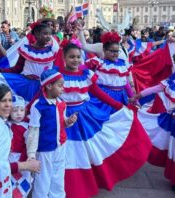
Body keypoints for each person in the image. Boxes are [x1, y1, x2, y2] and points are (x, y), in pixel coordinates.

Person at [57, 43, 151, 198]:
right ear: (64, 57)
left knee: (88, 149)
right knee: (68, 151)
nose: (75, 60)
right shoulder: (56, 74)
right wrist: (28, 109)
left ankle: (86, 182)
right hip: (62, 116)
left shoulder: (86, 74)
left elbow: (98, 93)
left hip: (85, 115)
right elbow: (44, 94)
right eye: (71, 57)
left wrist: (120, 107)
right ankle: (67, 184)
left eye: (78, 57)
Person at [27, 69, 78, 198]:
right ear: (49, 86)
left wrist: (69, 121)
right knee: (42, 180)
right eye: (60, 85)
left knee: (58, 179)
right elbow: (33, 131)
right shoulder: (38, 106)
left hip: (60, 147)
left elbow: (62, 123)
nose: (63, 89)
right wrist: (31, 154)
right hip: (45, 150)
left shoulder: (61, 104)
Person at [0, 23, 59, 102]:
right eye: (45, 34)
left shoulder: (52, 51)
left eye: (50, 34)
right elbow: (17, 69)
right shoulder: (26, 50)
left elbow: (55, 70)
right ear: (37, 34)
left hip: (45, 88)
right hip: (27, 85)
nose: (49, 36)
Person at [8, 95, 40, 197]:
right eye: (15, 110)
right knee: (8, 183)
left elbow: (30, 143)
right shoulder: (6, 125)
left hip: (22, 158)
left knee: (23, 183)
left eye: (21, 110)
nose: (19, 113)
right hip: (8, 157)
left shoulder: (27, 127)